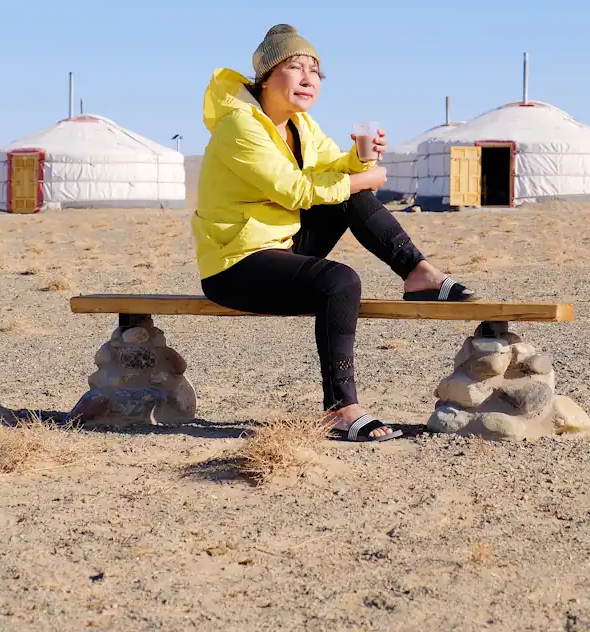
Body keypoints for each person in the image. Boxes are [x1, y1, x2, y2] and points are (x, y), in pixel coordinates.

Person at [193, 24, 475, 442]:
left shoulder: (301, 125)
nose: (309, 78)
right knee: (340, 281)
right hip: (235, 263)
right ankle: (340, 409)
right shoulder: (239, 126)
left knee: (351, 197)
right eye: (295, 67)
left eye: (315, 71)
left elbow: (335, 171)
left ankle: (418, 272)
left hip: (282, 245)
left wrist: (360, 157)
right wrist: (362, 178)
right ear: (266, 77)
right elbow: (295, 190)